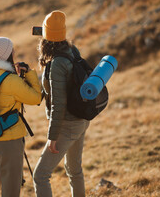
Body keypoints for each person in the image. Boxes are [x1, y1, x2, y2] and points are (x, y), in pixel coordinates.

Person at [0, 36, 42, 197]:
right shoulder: (10, 80)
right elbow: (35, 98)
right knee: (10, 191)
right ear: (7, 54)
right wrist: (29, 74)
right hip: (9, 141)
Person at [33, 11, 90, 197]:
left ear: (46, 39)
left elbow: (59, 103)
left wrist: (52, 136)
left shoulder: (57, 64)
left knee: (40, 175)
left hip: (67, 125)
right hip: (81, 120)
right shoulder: (72, 51)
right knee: (75, 171)